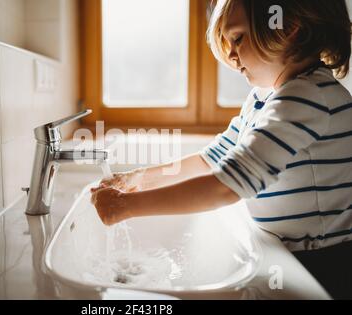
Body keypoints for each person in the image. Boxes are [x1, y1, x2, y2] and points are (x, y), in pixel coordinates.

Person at [91, 0, 352, 299]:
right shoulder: (264, 98)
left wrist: (127, 207)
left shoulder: (307, 96)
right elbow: (210, 160)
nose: (229, 53)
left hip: (324, 266)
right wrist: (138, 178)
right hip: (289, 255)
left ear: (287, 28)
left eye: (238, 38)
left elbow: (227, 187)